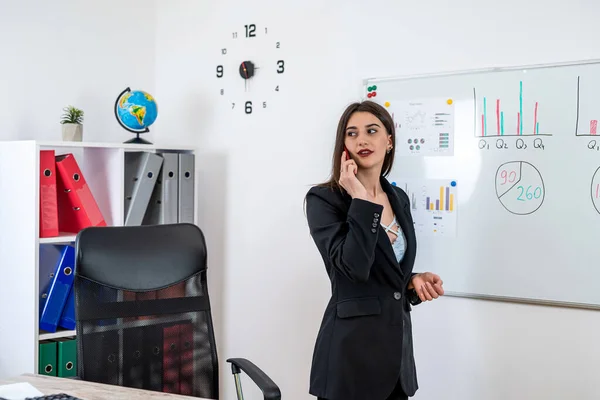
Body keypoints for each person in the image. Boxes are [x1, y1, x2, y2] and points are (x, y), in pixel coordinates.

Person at [304, 100, 445, 400]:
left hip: (397, 363)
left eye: (372, 130)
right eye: (352, 133)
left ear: (389, 140)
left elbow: (385, 271)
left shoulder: (398, 198)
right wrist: (360, 197)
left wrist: (411, 279)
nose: (362, 140)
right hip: (350, 362)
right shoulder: (325, 200)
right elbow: (353, 268)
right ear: (343, 144)